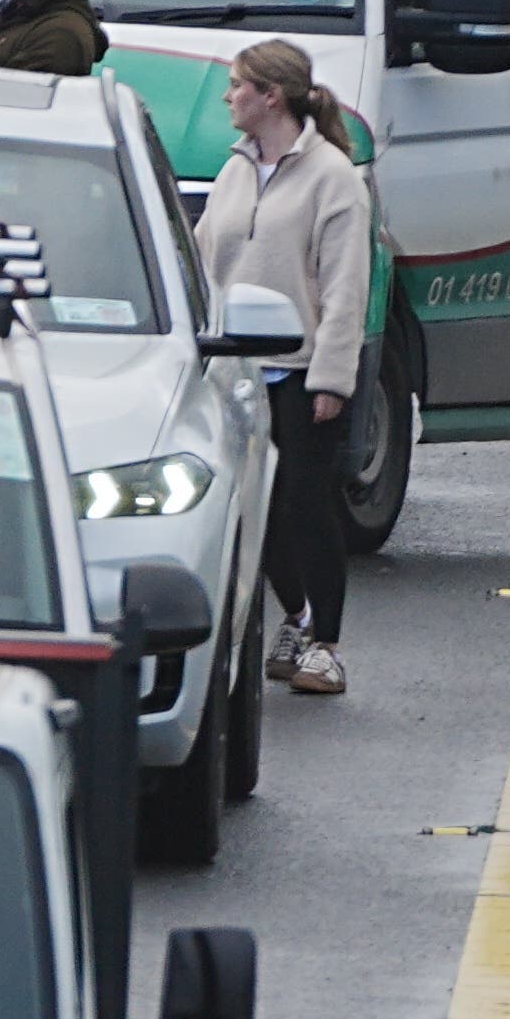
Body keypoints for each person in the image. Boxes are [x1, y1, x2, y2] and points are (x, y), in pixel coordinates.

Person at [200, 39, 367, 700]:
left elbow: (346, 286)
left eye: (237, 85)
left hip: (300, 372)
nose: (227, 96)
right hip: (237, 369)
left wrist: (332, 376)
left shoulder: (333, 179)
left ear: (270, 96)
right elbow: (204, 253)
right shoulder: (236, 168)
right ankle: (293, 617)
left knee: (307, 505)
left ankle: (326, 642)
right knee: (255, 510)